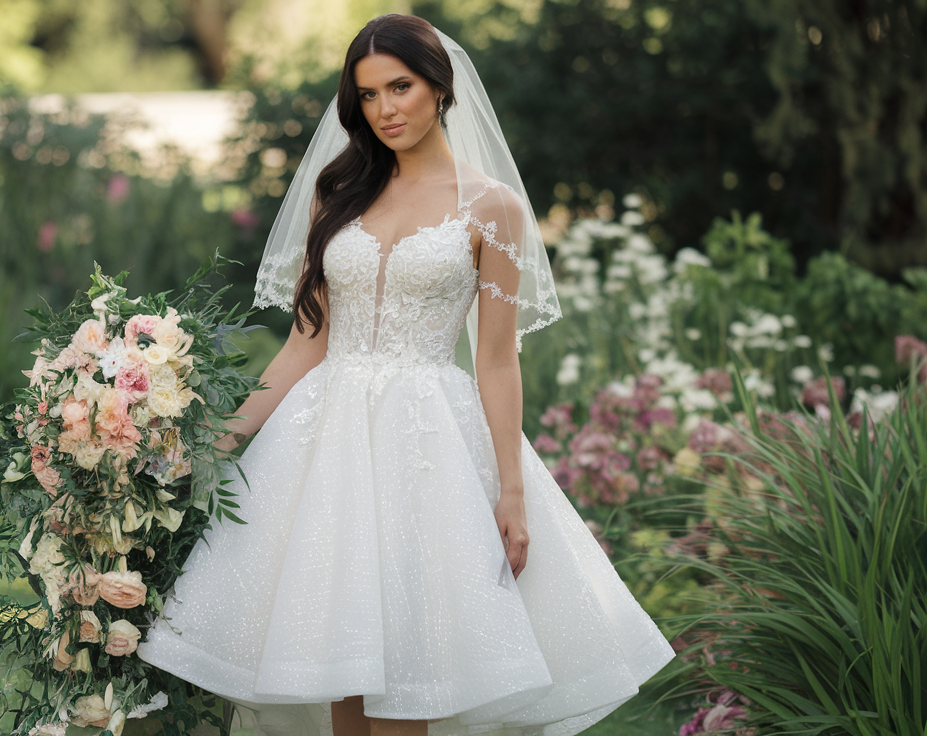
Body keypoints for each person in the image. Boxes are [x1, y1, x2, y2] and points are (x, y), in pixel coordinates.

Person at [134, 14, 675, 736]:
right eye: (367, 95)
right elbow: (304, 345)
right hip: (323, 449)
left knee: (411, 680)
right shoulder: (339, 192)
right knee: (338, 680)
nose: (385, 108)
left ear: (440, 88)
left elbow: (495, 357)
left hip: (428, 454)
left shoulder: (492, 208)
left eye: (401, 87)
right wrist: (211, 441)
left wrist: (511, 489)